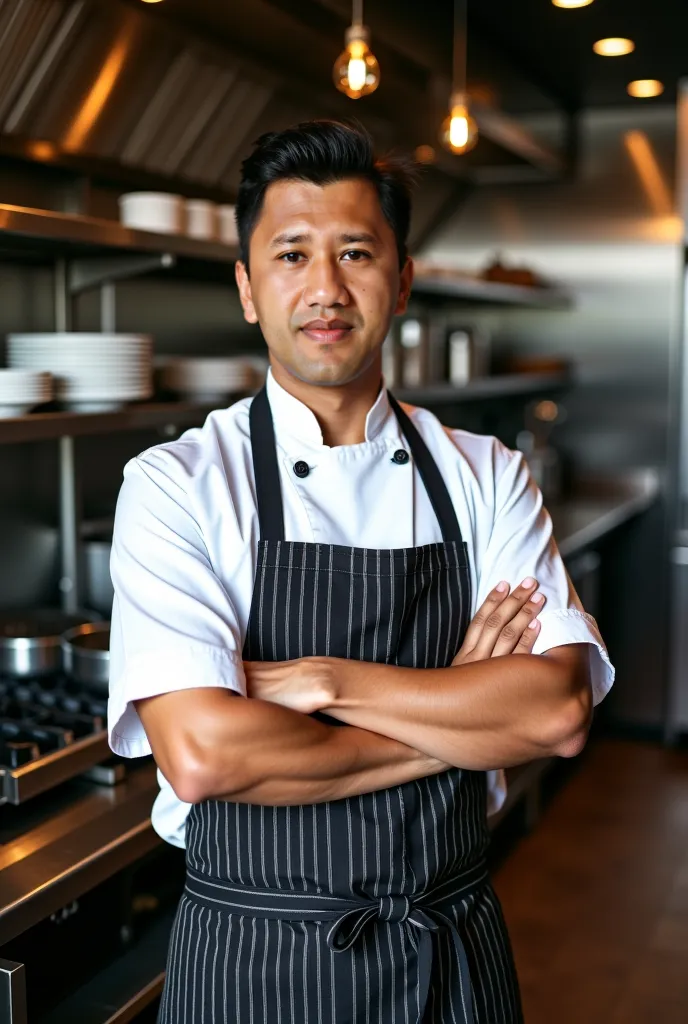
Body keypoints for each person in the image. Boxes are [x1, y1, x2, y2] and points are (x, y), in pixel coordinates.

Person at [107, 120, 614, 1024]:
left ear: (403, 279)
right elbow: (204, 752)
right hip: (251, 965)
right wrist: (457, 707)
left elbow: (556, 711)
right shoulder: (176, 484)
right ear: (248, 290)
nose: (325, 289)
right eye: (292, 255)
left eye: (355, 253)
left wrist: (320, 681)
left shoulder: (486, 474)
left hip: (450, 955)